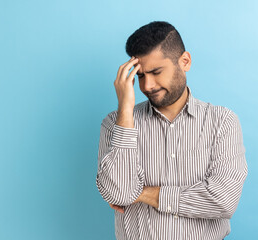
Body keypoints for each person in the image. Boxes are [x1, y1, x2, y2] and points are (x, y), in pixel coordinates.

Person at [96, 20, 248, 240]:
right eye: (140, 75)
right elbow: (119, 193)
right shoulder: (115, 124)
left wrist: (142, 193)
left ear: (184, 61)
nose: (147, 85)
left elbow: (223, 200)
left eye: (156, 72)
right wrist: (125, 110)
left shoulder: (222, 122)